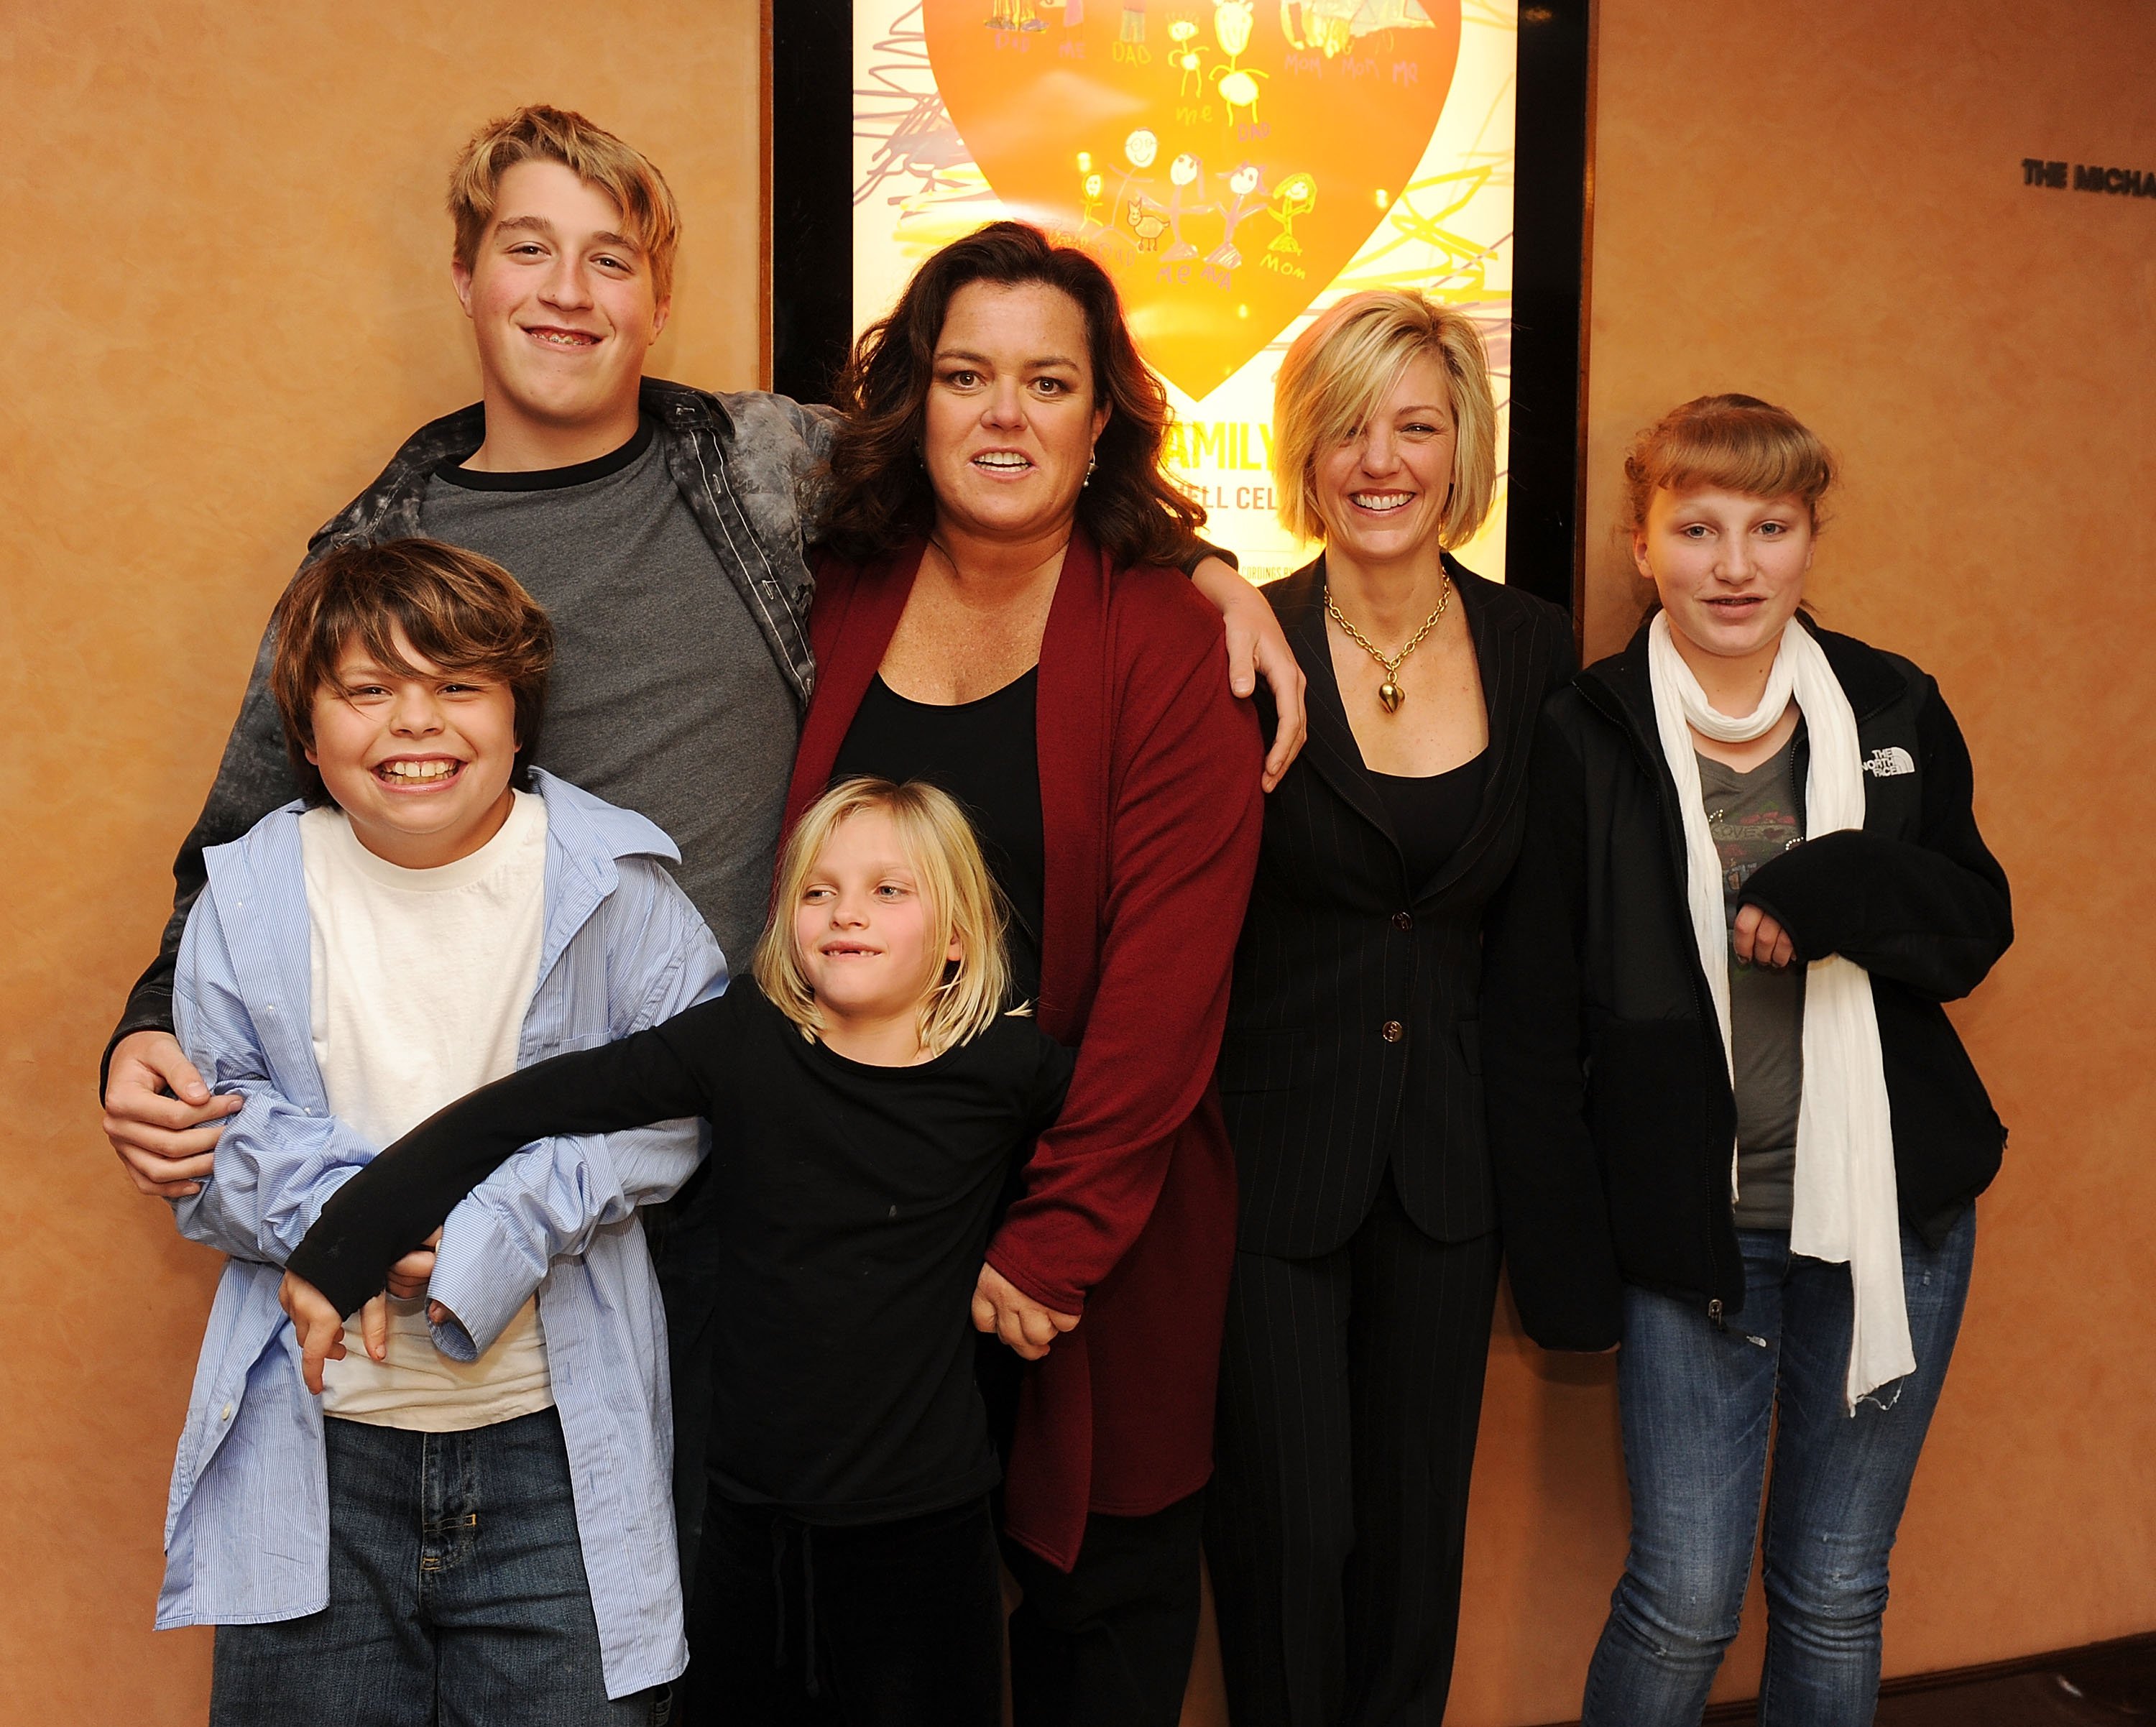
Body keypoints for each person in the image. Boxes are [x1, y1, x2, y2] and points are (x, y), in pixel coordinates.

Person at [98, 104, 1302, 1584]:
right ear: (463, 276)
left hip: (771, 1158)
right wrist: (151, 1018)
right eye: (527, 250)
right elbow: (244, 830)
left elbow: (1009, 464)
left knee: (747, 1586)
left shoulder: (764, 466)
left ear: (658, 293)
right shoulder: (372, 549)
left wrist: (1206, 566)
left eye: (611, 258)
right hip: (514, 1141)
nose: (567, 292)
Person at [278, 778, 1074, 1726]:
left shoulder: (1008, 1071)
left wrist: (1048, 1256)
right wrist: (341, 1248)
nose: (845, 913)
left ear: (956, 936)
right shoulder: (747, 1041)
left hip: (927, 1541)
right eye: (817, 891)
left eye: (887, 891)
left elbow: (1120, 1154)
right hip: (743, 1528)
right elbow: (527, 1107)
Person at [791, 220, 1266, 1725]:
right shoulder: (834, 586)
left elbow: (1168, 984)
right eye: (966, 375)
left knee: (1093, 1622)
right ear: (912, 402)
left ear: (1101, 414)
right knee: (875, 1642)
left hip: (1089, 1232)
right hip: (864, 1215)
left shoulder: (1170, 635)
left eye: (1048, 381)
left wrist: (1052, 1240)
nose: (1004, 413)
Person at [1483, 395, 2012, 1725]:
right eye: (1699, 527)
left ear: (1809, 541)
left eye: (1769, 528)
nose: (1735, 564)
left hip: (1894, 1228)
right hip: (1694, 1239)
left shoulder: (1891, 705)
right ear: (1642, 539)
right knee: (1684, 1598)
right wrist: (1563, 1267)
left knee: (1836, 1587)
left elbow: (1972, 928)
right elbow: (1534, 1019)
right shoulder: (1585, 731)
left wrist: (1841, 884)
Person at [158, 539, 722, 1723]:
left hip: (558, 1452)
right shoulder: (248, 895)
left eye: (459, 686)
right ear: (308, 738)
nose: (417, 723)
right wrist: (352, 1222)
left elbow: (684, 1103)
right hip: (317, 1450)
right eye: (368, 691)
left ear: (520, 719)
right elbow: (213, 1128)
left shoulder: (616, 885)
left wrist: (487, 1231)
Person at [1199, 290, 1574, 1727]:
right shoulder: (1237, 640)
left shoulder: (1536, 649)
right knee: (1289, 1542)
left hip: (1449, 1168)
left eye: (1415, 424)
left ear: (1460, 446)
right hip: (1268, 1167)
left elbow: (1554, 932)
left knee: (1419, 1547)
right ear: (1304, 446)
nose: (1380, 458)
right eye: (1349, 423)